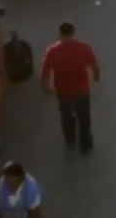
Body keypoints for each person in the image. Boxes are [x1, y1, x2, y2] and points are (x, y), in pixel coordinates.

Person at [39, 21, 98, 154]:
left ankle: (70, 141)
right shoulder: (83, 47)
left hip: (64, 92)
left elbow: (45, 73)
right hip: (82, 91)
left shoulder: (53, 51)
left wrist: (46, 88)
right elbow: (94, 64)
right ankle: (85, 145)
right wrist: (96, 77)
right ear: (73, 32)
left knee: (67, 118)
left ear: (59, 34)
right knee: (84, 119)